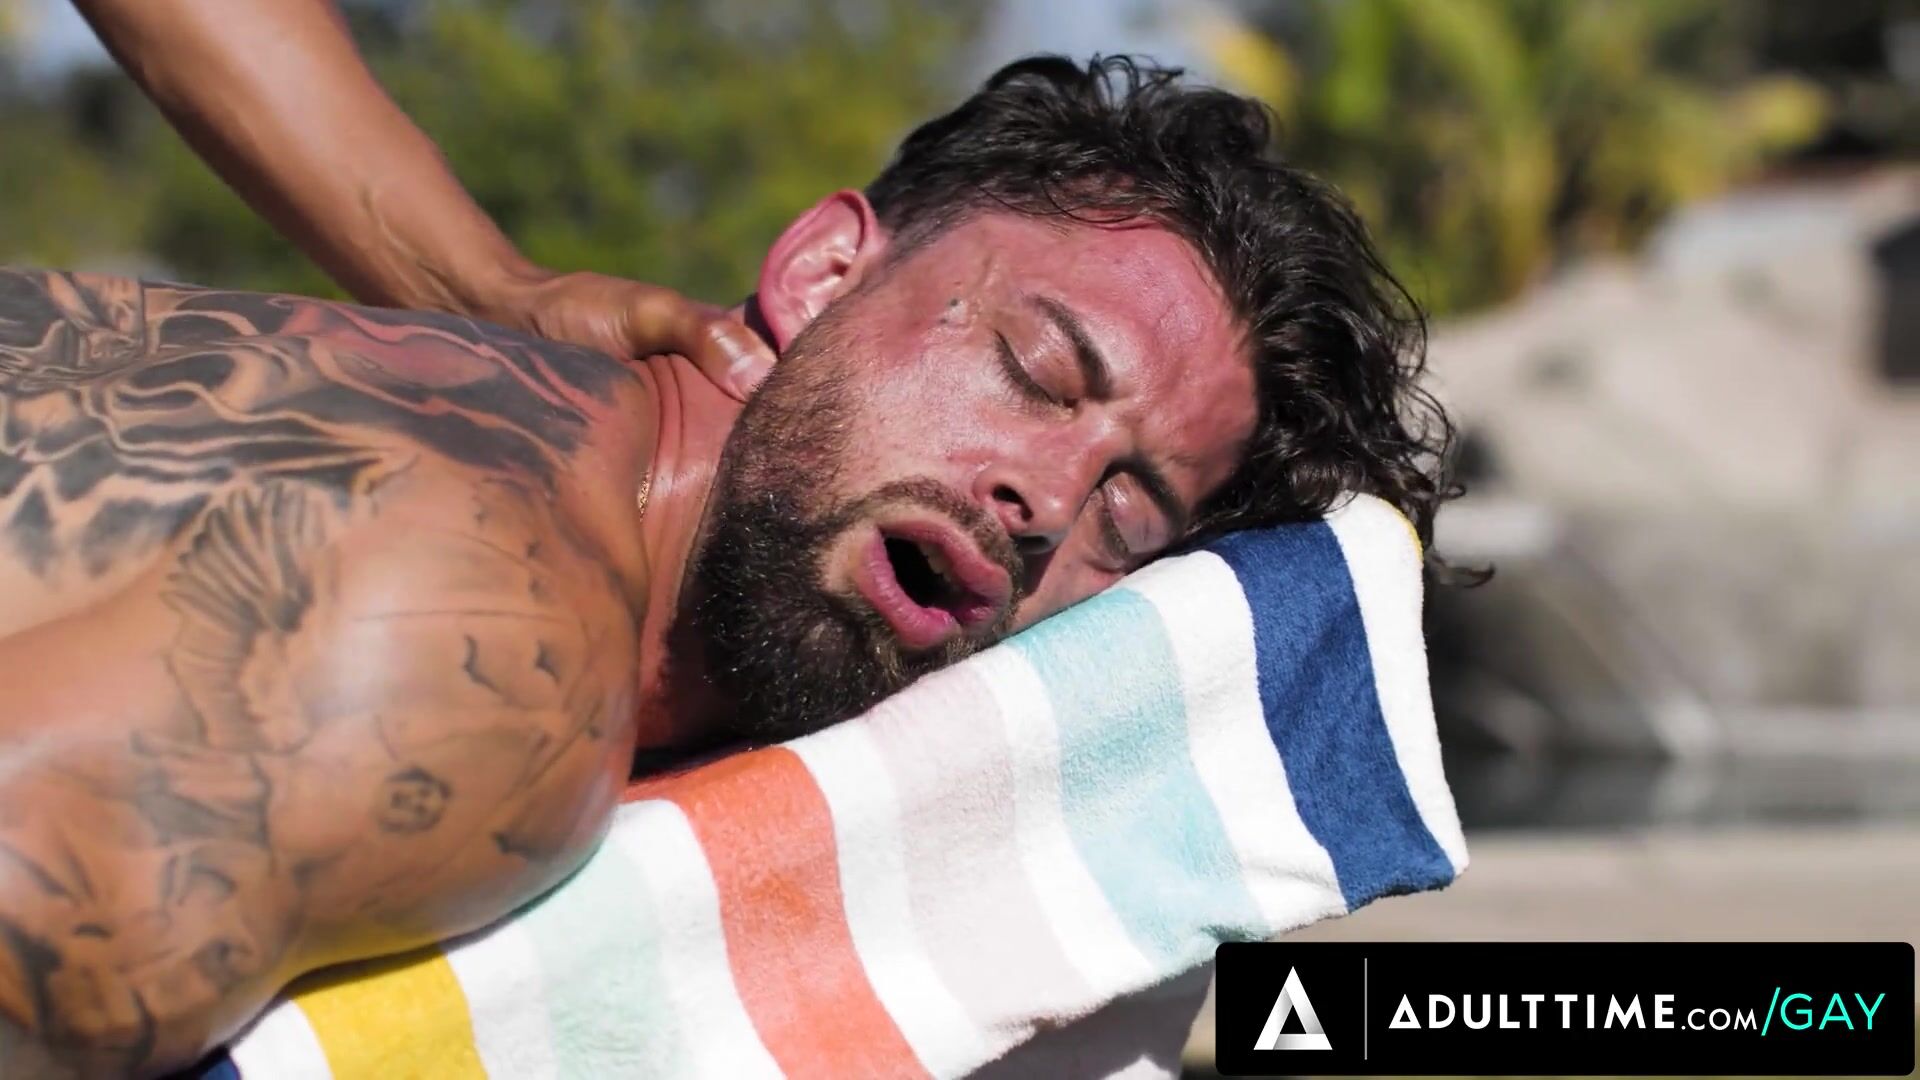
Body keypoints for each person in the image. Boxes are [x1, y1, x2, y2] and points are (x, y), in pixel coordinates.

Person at [0, 45, 1455, 1080]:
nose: (1047, 502)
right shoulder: (495, 654)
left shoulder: (491, 443)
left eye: (1128, 521)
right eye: (1035, 368)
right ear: (821, 276)